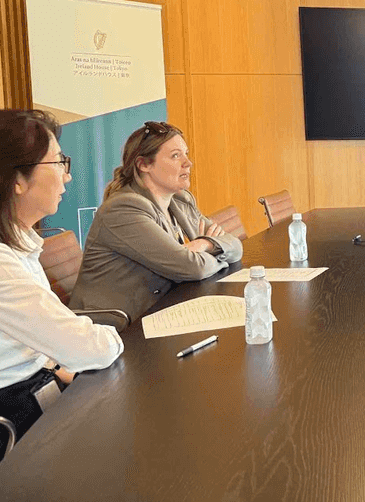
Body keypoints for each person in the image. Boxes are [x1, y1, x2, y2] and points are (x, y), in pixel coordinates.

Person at [0, 110, 123, 444]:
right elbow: (92, 348)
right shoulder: (3, 264)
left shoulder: (20, 244)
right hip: (17, 424)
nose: (67, 177)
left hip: (39, 389)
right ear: (17, 179)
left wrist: (58, 365)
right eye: (58, 163)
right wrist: (105, 341)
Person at [70, 121, 242, 320]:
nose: (188, 163)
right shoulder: (123, 209)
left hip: (160, 311)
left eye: (186, 154)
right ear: (144, 165)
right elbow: (193, 267)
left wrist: (205, 244)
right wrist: (218, 255)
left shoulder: (180, 200)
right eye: (175, 155)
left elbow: (236, 246)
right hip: (117, 327)